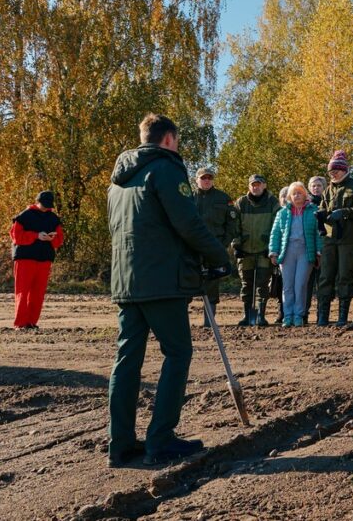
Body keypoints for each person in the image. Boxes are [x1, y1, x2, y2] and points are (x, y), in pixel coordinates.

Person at [107, 113, 229, 467]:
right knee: (177, 353)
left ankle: (121, 444)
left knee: (127, 360)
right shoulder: (166, 168)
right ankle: (160, 440)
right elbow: (187, 222)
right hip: (162, 280)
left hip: (126, 282)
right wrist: (218, 257)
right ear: (169, 139)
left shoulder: (117, 182)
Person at [317, 151, 353, 326]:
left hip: (349, 238)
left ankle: (342, 316)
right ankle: (322, 315)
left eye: (336, 171)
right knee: (326, 276)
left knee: (345, 276)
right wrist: (322, 215)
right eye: (331, 172)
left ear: (344, 170)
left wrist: (344, 212)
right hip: (330, 238)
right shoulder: (328, 189)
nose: (333, 174)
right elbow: (323, 207)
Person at [268, 182, 322, 327]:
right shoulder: (282, 213)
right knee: (288, 286)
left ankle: (299, 315)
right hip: (287, 252)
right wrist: (273, 252)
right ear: (289, 197)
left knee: (301, 284)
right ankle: (288, 316)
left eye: (299, 193)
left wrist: (318, 252)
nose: (297, 195)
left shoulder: (313, 211)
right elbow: (275, 234)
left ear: (305, 195)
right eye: (294, 193)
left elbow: (318, 234)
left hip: (305, 251)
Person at [10, 191, 65, 329]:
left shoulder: (53, 218)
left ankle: (32, 322)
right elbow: (16, 237)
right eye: (44, 205)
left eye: (48, 205)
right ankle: (21, 323)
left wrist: (52, 238)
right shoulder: (24, 216)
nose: (46, 208)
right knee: (23, 291)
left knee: (38, 293)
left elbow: (59, 241)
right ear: (37, 202)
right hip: (25, 259)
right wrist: (36, 236)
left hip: (44, 258)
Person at [191, 168, 237, 328]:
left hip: (214, 248)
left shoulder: (223, 199)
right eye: (203, 178)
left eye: (210, 178)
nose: (207, 180)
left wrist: (222, 244)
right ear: (196, 180)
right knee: (186, 283)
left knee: (211, 285)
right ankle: (180, 323)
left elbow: (232, 224)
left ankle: (209, 322)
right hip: (191, 249)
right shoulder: (187, 198)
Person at [233, 175, 275, 326]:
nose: (255, 187)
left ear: (264, 185)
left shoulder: (272, 202)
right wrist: (236, 245)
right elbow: (234, 225)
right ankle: (247, 316)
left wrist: (271, 247)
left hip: (264, 251)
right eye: (252, 185)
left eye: (258, 184)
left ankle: (260, 316)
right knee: (246, 284)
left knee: (262, 284)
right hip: (245, 251)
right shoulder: (241, 202)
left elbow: (277, 227)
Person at [305, 175, 327, 324]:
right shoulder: (305, 205)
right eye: (313, 185)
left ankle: (322, 315)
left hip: (325, 248)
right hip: (308, 249)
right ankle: (303, 314)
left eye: (319, 185)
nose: (316, 188)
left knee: (323, 283)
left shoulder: (328, 203)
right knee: (306, 284)